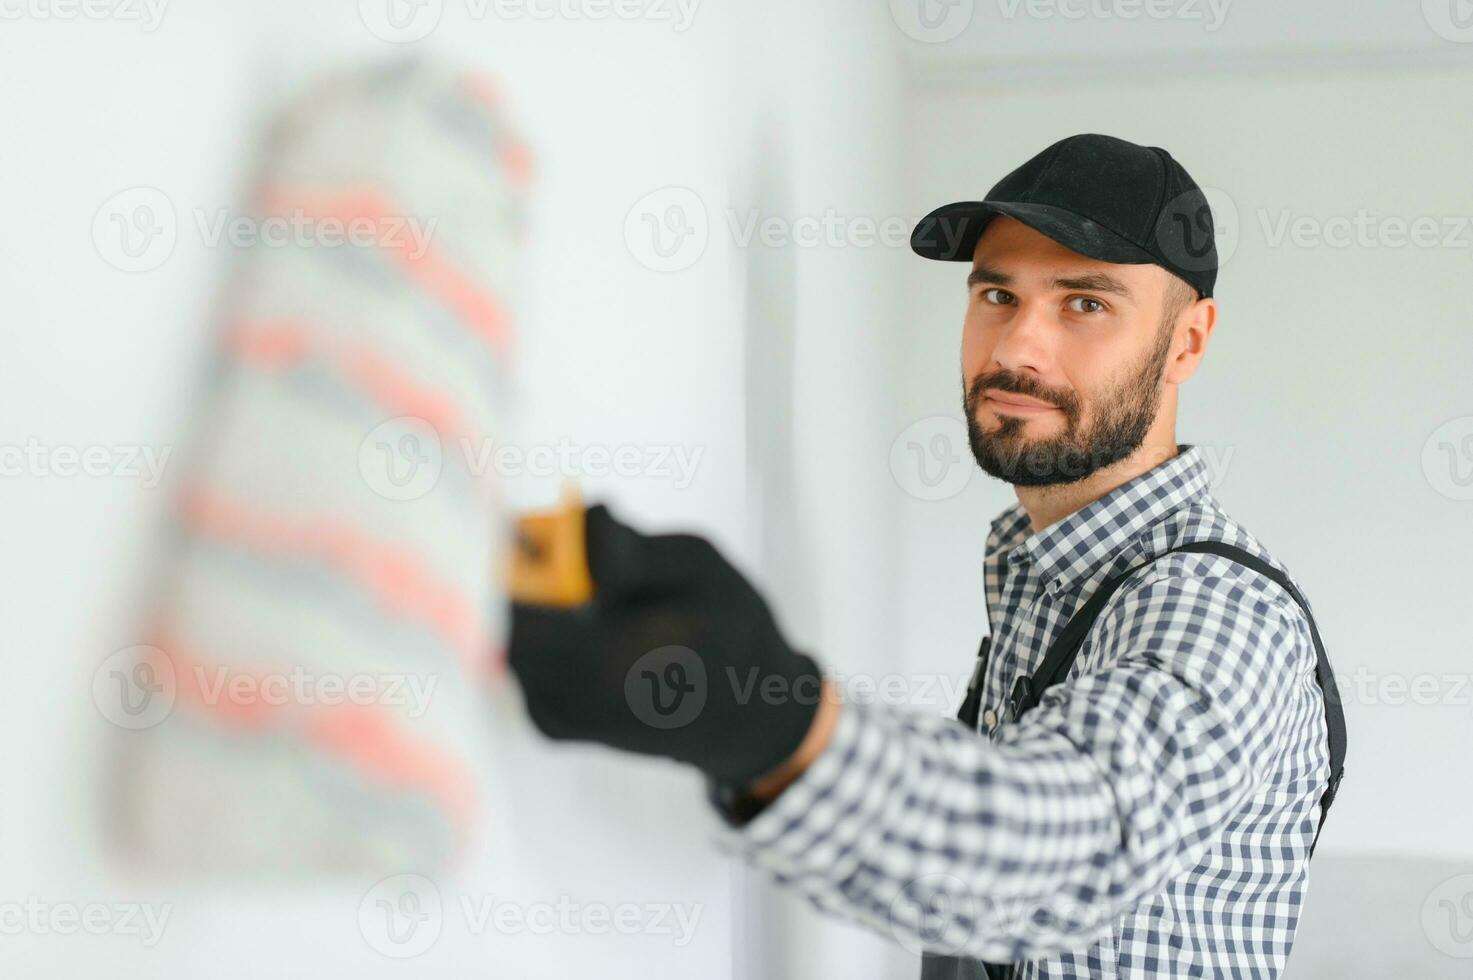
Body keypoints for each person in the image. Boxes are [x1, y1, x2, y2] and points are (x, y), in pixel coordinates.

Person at [507, 133, 1345, 978]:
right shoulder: (1040, 570)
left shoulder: (1220, 611)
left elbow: (1065, 849)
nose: (1016, 348)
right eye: (996, 294)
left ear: (1187, 343)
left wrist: (778, 728)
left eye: (1084, 303)